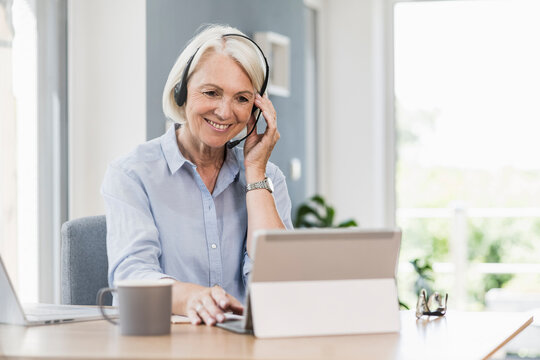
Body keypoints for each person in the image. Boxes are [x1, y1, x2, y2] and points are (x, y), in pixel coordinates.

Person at [101, 24, 293, 327]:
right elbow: (132, 278)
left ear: (257, 109)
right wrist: (190, 297)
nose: (224, 111)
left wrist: (255, 173)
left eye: (242, 99)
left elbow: (280, 285)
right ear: (181, 91)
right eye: (211, 92)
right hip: (164, 346)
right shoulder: (131, 174)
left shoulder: (268, 179)